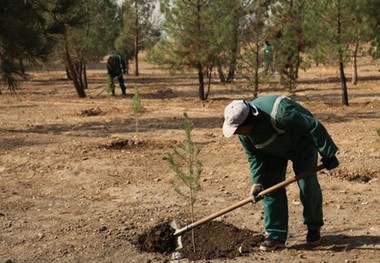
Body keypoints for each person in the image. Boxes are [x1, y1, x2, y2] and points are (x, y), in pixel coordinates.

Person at [222, 95, 339, 252]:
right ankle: (276, 236)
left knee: (307, 186)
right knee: (271, 189)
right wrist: (257, 182)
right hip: (272, 152)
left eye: (237, 129)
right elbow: (254, 156)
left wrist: (328, 153)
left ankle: (313, 227)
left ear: (249, 121)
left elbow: (312, 126)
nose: (235, 134)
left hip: (301, 145)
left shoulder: (281, 113)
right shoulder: (245, 135)